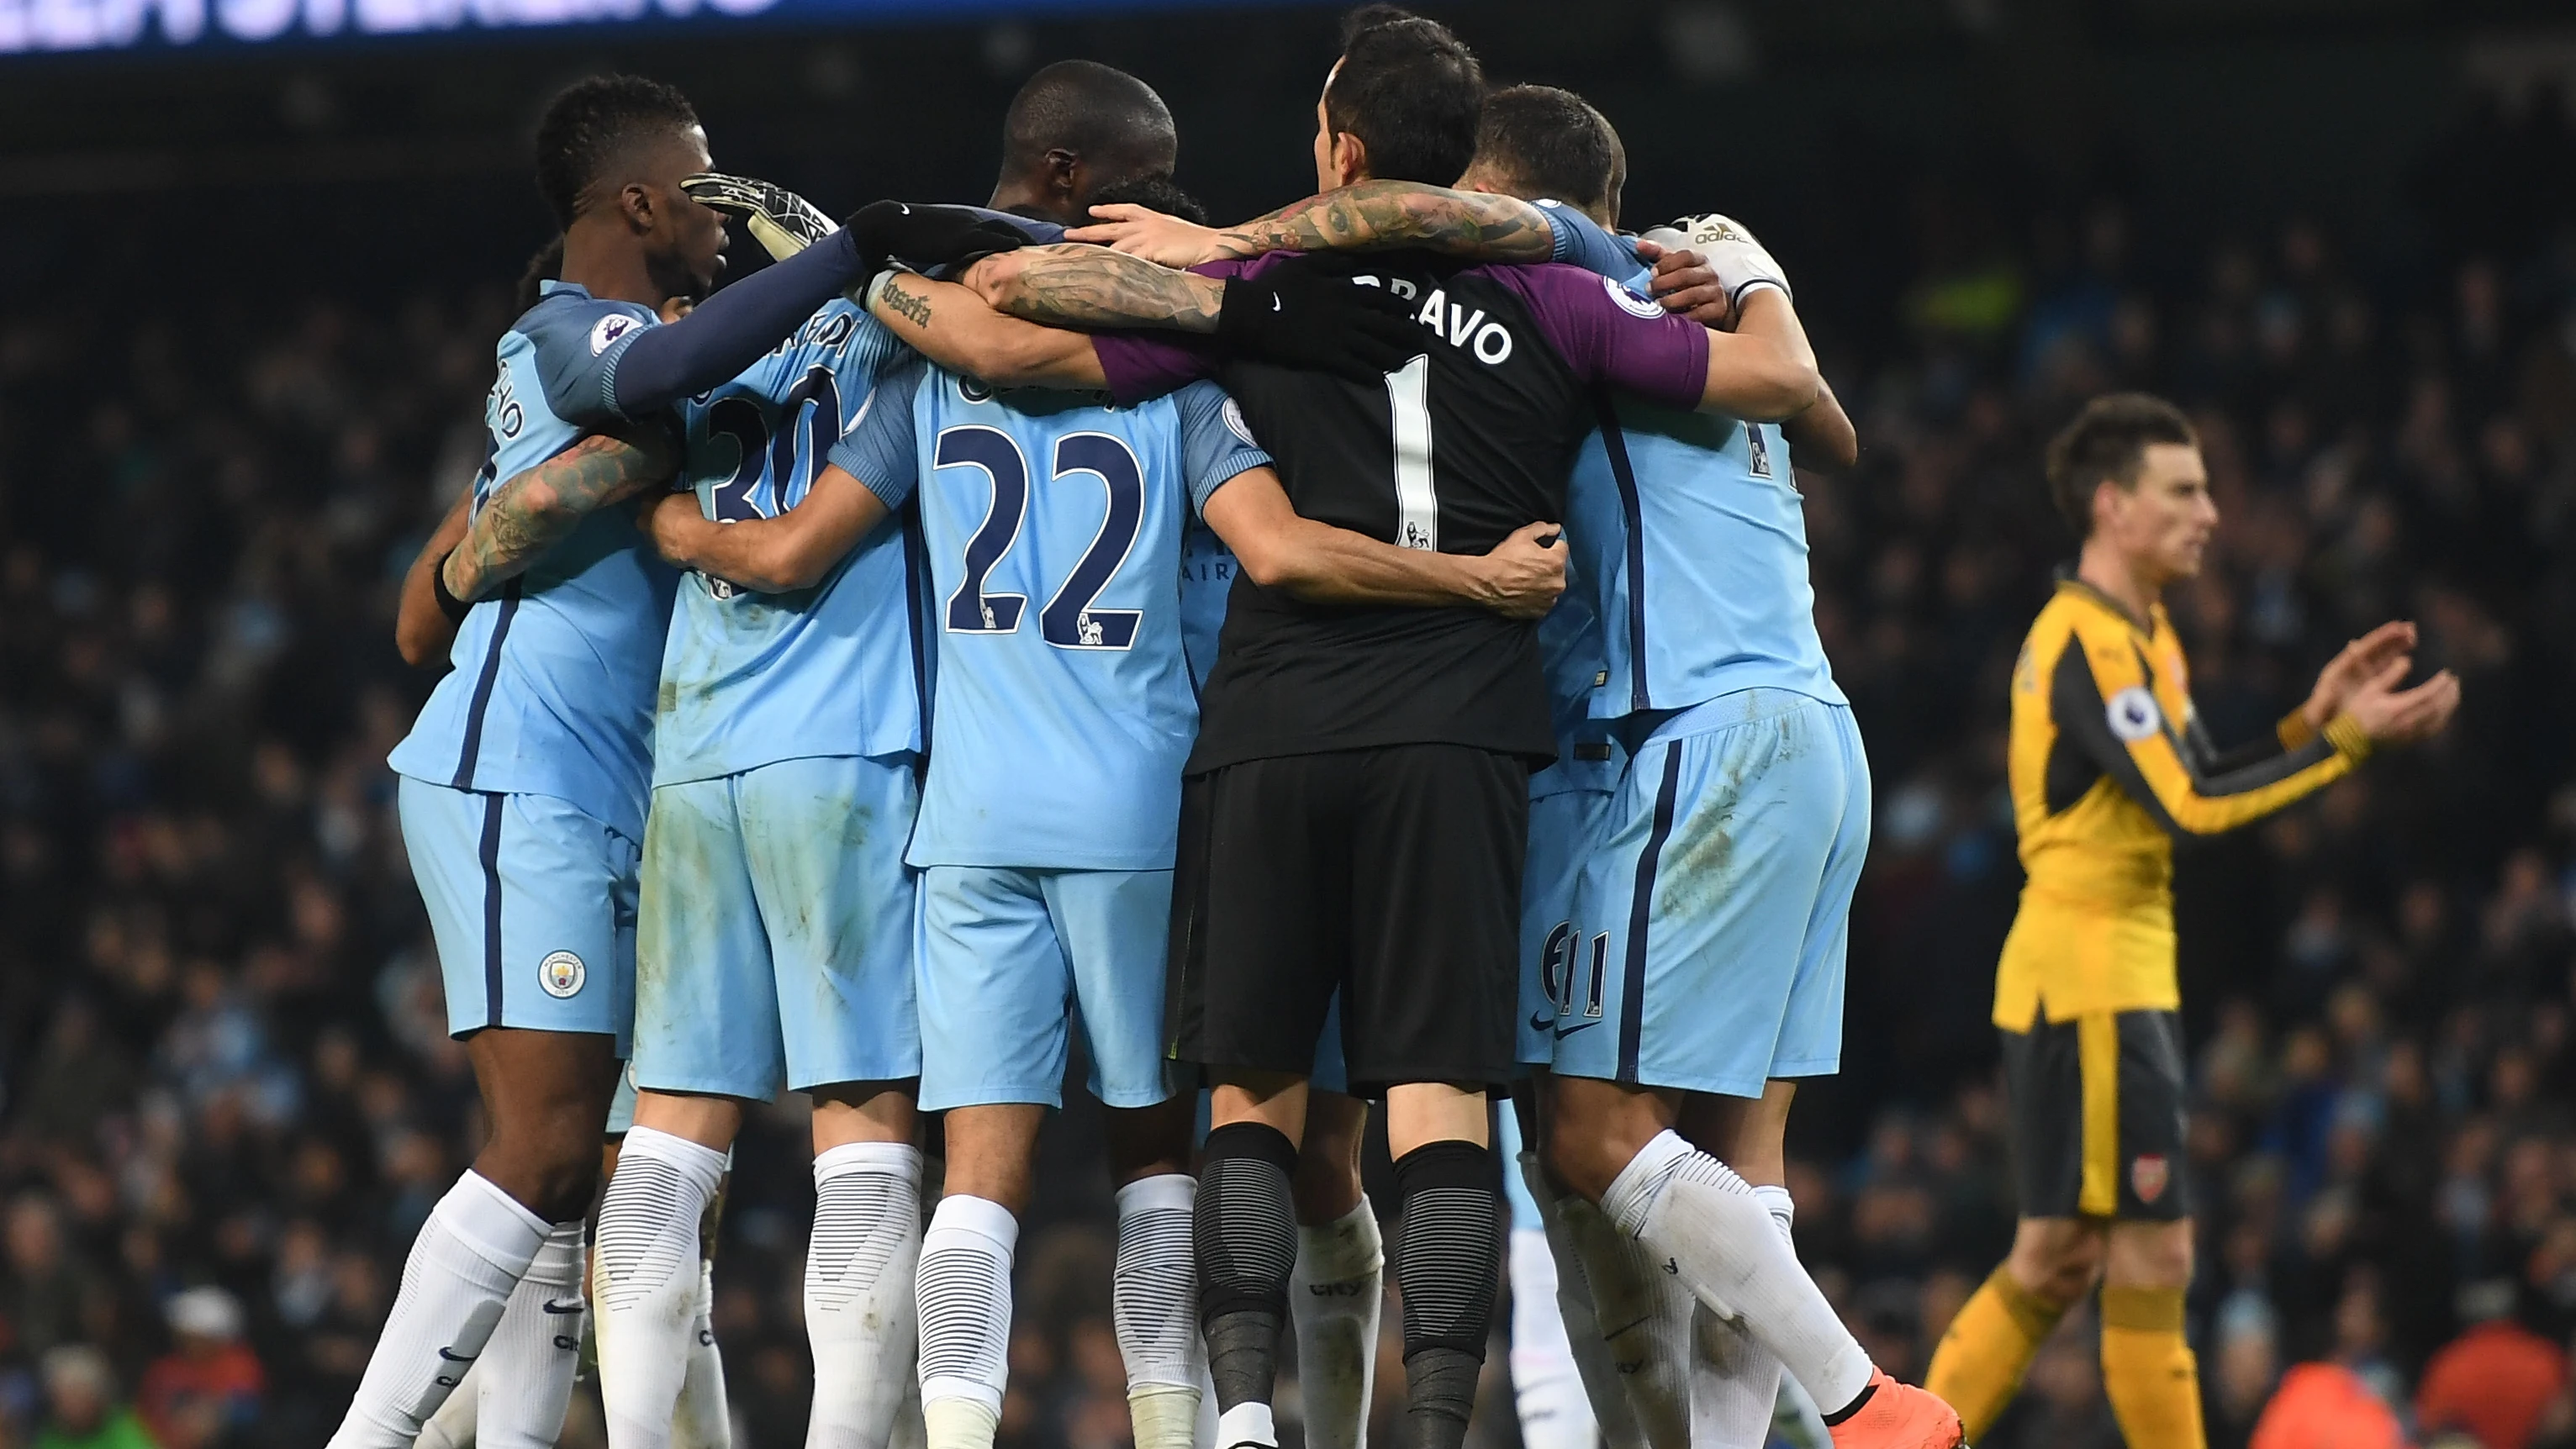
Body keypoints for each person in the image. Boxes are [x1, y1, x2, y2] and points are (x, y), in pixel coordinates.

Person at [954, 13, 1842, 1449]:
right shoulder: (1555, 297)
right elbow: (1771, 385)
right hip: (1461, 726)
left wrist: (1154, 263)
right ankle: (1433, 1421)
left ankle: (1242, 1416)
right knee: (1436, 1096)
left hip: (1274, 719)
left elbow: (1013, 320)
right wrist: (1749, 278)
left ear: (1342, 151)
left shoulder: (1256, 287)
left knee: (1251, 1081)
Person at [351, 71, 980, 1449]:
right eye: (699, 185)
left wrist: (471, 555)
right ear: (640, 197)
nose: (717, 212)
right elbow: (627, 398)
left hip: (641, 785)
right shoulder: (568, 337)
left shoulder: (667, 352)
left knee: (603, 1173)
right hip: (530, 769)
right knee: (550, 1152)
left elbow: (422, 594)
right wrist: (851, 246)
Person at [1919, 393, 2460, 1449]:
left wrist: (2310, 714)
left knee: (2064, 1258)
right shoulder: (2087, 640)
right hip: (2092, 983)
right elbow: (2193, 806)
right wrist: (2342, 746)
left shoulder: (2140, 631)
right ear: (2114, 505)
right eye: (2185, 489)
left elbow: (2198, 767)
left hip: (2100, 979)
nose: (2210, 510)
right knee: (2121, 1258)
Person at [35, 1346, 159, 1449]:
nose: (68, 1406)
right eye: (61, 1398)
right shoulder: (51, 1436)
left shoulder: (123, 1429)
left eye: (76, 1395)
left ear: (97, 1396)